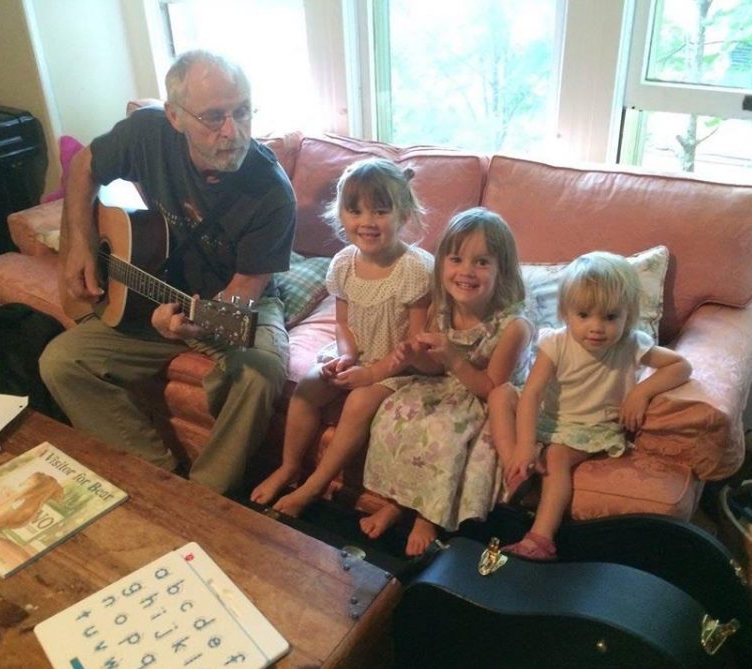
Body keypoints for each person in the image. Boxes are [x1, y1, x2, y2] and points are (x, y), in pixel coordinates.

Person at [39, 50, 296, 495]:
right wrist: (79, 243)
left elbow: (243, 292)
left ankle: (201, 495)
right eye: (213, 118)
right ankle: (158, 479)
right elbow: (84, 165)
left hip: (229, 303)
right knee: (60, 362)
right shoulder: (148, 133)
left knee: (261, 373)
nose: (232, 132)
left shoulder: (272, 192)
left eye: (242, 112)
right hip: (155, 288)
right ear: (175, 116)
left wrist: (189, 325)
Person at [249, 157, 433, 516]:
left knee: (358, 403)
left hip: (400, 367)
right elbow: (343, 323)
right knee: (306, 388)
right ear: (341, 214)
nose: (366, 222)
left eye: (380, 212)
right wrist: (346, 355)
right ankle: (289, 466)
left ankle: (314, 487)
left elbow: (414, 344)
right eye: (355, 211)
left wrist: (371, 373)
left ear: (404, 215)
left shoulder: (415, 270)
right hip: (357, 356)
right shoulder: (343, 264)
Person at [488, 251, 692, 560]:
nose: (596, 327)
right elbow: (531, 394)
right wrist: (525, 446)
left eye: (610, 317)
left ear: (628, 315)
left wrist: (642, 392)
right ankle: (517, 467)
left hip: (592, 428)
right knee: (502, 393)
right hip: (550, 418)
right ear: (566, 313)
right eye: (584, 315)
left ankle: (540, 538)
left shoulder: (631, 343)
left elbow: (681, 366)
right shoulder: (555, 343)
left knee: (556, 455)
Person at [360, 208, 534, 556]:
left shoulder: (513, 326)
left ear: (502, 271)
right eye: (456, 259)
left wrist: (453, 356)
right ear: (442, 265)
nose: (466, 272)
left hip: (489, 399)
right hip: (448, 385)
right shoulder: (441, 307)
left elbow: (491, 388)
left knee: (445, 434)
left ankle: (429, 516)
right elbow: (433, 368)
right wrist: (414, 358)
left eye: (482, 262)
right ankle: (401, 501)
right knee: (399, 412)